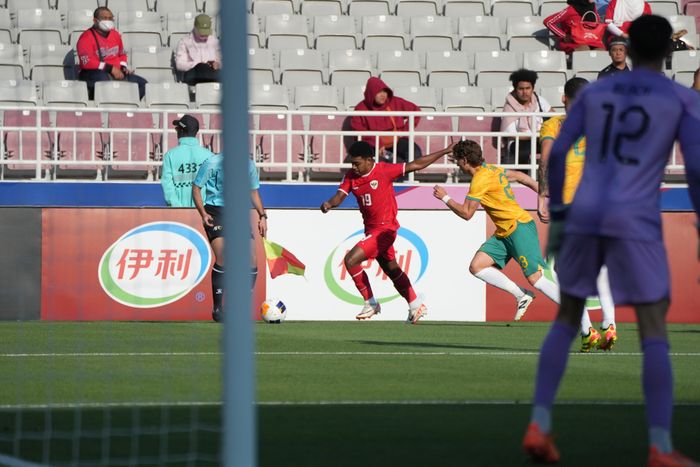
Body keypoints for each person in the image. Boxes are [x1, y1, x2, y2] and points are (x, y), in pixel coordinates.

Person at [523, 15, 700, 465]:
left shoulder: (596, 92)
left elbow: (559, 154)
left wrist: (558, 214)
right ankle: (659, 445)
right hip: (635, 217)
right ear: (667, 51)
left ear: (625, 47)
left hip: (584, 212)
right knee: (654, 328)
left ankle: (539, 424)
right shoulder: (680, 99)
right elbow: (696, 169)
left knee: (566, 318)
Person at [320, 140, 454, 323]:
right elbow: (339, 196)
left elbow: (416, 164)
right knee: (392, 269)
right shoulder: (351, 176)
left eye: (357, 163)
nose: (354, 167)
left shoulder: (383, 170)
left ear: (369, 160)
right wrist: (329, 204)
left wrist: (445, 150)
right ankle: (415, 304)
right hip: (371, 230)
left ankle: (371, 303)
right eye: (352, 163)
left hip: (385, 230)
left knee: (351, 260)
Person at [433, 140, 561, 321]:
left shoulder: (480, 179)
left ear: (465, 161)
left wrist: (445, 197)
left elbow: (467, 213)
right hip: (504, 232)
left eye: (457, 160)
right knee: (477, 266)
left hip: (518, 227)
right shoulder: (491, 169)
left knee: (536, 279)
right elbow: (519, 176)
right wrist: (541, 190)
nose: (457, 164)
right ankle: (521, 295)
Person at [538, 77, 618, 352]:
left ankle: (587, 331)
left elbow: (546, 159)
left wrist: (541, 195)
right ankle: (609, 322)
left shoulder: (553, 124)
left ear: (564, 98)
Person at [193, 156, 268, 322]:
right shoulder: (212, 163)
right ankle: (218, 308)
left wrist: (263, 216)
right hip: (215, 212)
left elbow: (253, 191)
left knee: (251, 258)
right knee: (223, 255)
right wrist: (203, 213)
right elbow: (196, 187)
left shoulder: (248, 164)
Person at [76, 7, 147, 100]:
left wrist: (123, 67)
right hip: (94, 73)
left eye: (110, 18)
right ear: (95, 21)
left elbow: (121, 54)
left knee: (143, 84)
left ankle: (125, 104)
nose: (108, 21)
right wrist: (110, 68)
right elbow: (87, 63)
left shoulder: (115, 35)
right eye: (104, 18)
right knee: (103, 80)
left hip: (115, 73)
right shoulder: (85, 37)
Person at [350, 77, 422, 166]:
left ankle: (404, 179)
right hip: (374, 145)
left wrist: (405, 132)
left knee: (415, 153)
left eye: (385, 91)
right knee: (388, 161)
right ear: (371, 93)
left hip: (397, 141)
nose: (383, 95)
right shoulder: (360, 108)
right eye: (379, 92)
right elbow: (359, 131)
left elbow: (415, 111)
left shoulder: (395, 101)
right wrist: (377, 144)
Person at [500, 69, 552, 166]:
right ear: (515, 89)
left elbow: (553, 116)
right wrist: (535, 135)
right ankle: (523, 179)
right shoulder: (509, 107)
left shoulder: (539, 100)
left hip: (540, 139)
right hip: (519, 142)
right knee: (522, 151)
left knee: (556, 146)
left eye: (528, 88)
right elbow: (512, 134)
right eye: (521, 89)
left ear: (533, 88)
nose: (525, 92)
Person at [161, 115, 214, 207]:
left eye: (177, 128)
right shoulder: (209, 156)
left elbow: (168, 186)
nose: (176, 130)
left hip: (178, 214)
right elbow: (213, 187)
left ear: (181, 130)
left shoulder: (170, 155)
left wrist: (177, 208)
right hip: (205, 212)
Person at [175, 14, 222, 86]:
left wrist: (217, 64)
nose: (204, 35)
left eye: (206, 32)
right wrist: (197, 63)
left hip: (212, 74)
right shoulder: (185, 42)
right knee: (201, 66)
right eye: (201, 32)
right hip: (193, 74)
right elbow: (180, 64)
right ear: (195, 28)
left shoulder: (214, 41)